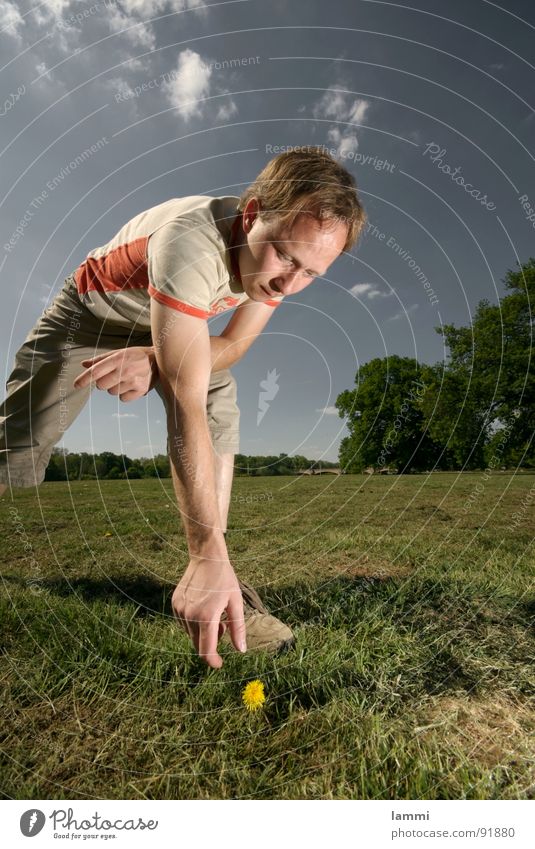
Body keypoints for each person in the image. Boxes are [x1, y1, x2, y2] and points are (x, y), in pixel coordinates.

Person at [0, 146, 366, 668]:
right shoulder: (191, 242)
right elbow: (183, 401)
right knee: (17, 452)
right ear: (252, 214)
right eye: (285, 257)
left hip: (167, 325)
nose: (290, 283)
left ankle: (221, 585)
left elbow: (234, 348)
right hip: (88, 319)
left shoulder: (281, 269)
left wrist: (157, 354)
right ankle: (208, 562)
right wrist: (171, 361)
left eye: (312, 273)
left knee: (220, 391)